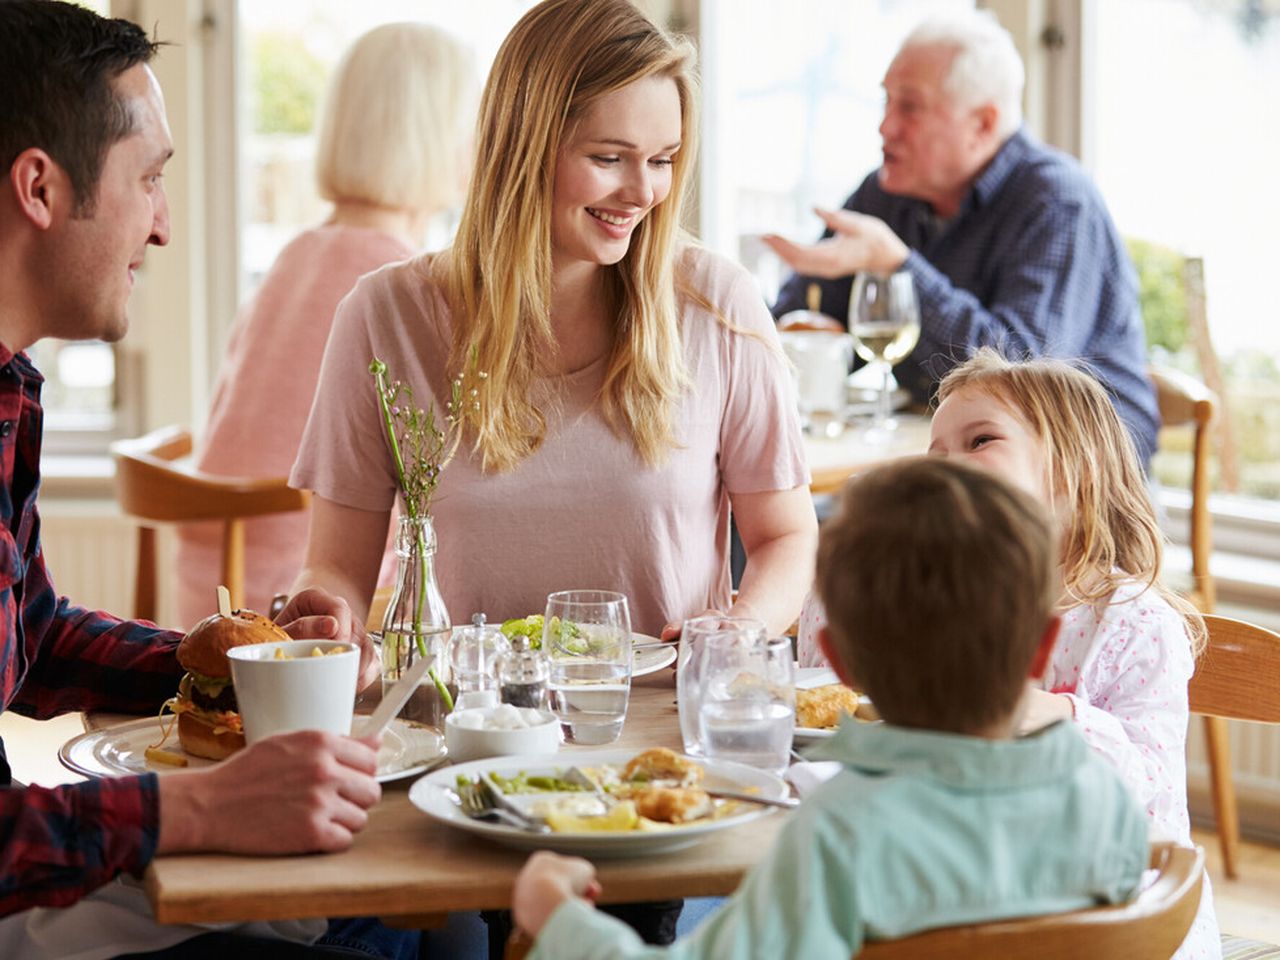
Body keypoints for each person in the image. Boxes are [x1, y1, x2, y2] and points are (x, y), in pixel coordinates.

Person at [0, 4, 404, 957]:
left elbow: (39, 637)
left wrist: (247, 663)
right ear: (39, 187)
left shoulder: (9, 389)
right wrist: (192, 808)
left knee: (394, 915)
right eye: (150, 179)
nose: (166, 227)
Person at [290, 0, 816, 649]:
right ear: (523, 146)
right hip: (469, 725)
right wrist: (328, 617)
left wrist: (739, 628)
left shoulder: (716, 303)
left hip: (666, 725)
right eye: (609, 157)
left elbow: (785, 536)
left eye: (662, 159)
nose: (644, 192)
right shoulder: (384, 316)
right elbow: (338, 565)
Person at [509, 456, 1150, 958]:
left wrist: (557, 918)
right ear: (1042, 649)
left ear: (836, 662)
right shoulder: (1105, 803)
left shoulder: (841, 836)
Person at [796, 348, 1221, 959]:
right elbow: (824, 691)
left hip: (1116, 927)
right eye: (935, 451)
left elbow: (1145, 793)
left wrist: (1043, 711)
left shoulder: (1134, 623)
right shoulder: (918, 595)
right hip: (947, 891)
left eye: (980, 440)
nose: (945, 465)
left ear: (1075, 470)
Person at [174, 22, 476, 628]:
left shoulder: (299, 252)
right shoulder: (394, 283)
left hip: (208, 584)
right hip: (304, 600)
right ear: (443, 135)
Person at [766, 10, 1160, 464]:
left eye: (909, 107)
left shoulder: (1057, 201)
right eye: (885, 102)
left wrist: (898, 266)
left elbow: (1019, 377)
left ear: (984, 123)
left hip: (1079, 470)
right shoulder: (887, 192)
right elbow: (807, 316)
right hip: (946, 451)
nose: (885, 126)